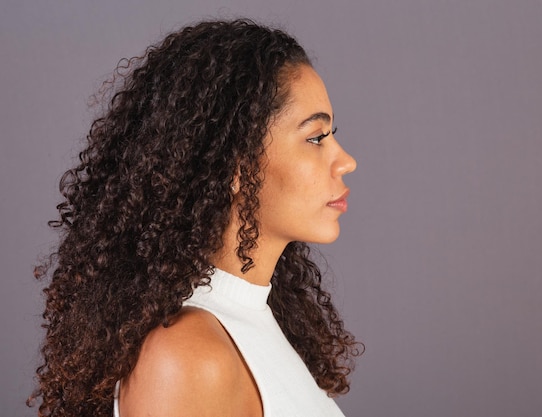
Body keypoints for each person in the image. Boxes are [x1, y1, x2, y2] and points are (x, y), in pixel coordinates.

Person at [30, 19, 362, 417]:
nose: (346, 161)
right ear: (235, 166)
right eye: (315, 138)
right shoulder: (189, 355)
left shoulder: (252, 323)